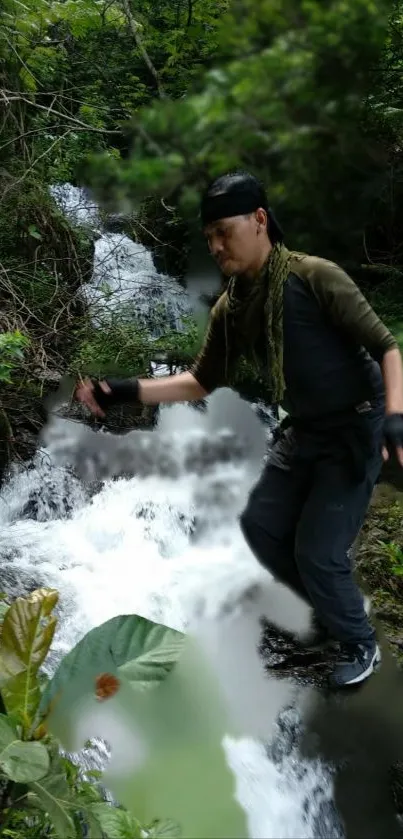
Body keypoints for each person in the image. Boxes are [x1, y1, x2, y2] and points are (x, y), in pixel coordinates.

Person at [75, 171, 403, 688]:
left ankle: (360, 643)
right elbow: (199, 382)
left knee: (317, 551)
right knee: (261, 525)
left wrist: (394, 421)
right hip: (307, 429)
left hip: (356, 425)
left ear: (259, 220)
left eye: (223, 232)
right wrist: (121, 391)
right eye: (208, 237)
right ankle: (325, 612)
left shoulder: (315, 278)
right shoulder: (232, 308)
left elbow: (387, 346)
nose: (215, 245)